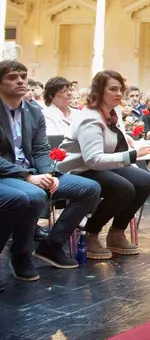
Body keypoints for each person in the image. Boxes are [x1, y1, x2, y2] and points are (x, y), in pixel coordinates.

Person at [0, 61, 100, 280]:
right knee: (34, 195)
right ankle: (20, 255)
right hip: (6, 174)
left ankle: (51, 245)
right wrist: (27, 176)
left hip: (34, 172)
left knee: (90, 189)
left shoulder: (33, 110)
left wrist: (50, 174)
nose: (20, 80)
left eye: (23, 76)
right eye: (12, 77)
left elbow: (41, 149)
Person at [58, 70, 150, 259]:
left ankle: (117, 233)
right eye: (113, 89)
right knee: (124, 188)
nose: (119, 93)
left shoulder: (112, 111)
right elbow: (92, 159)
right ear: (99, 91)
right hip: (78, 169)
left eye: (121, 89)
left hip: (100, 166)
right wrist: (132, 155)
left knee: (144, 180)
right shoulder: (90, 118)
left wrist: (127, 139)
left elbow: (109, 143)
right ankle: (91, 235)